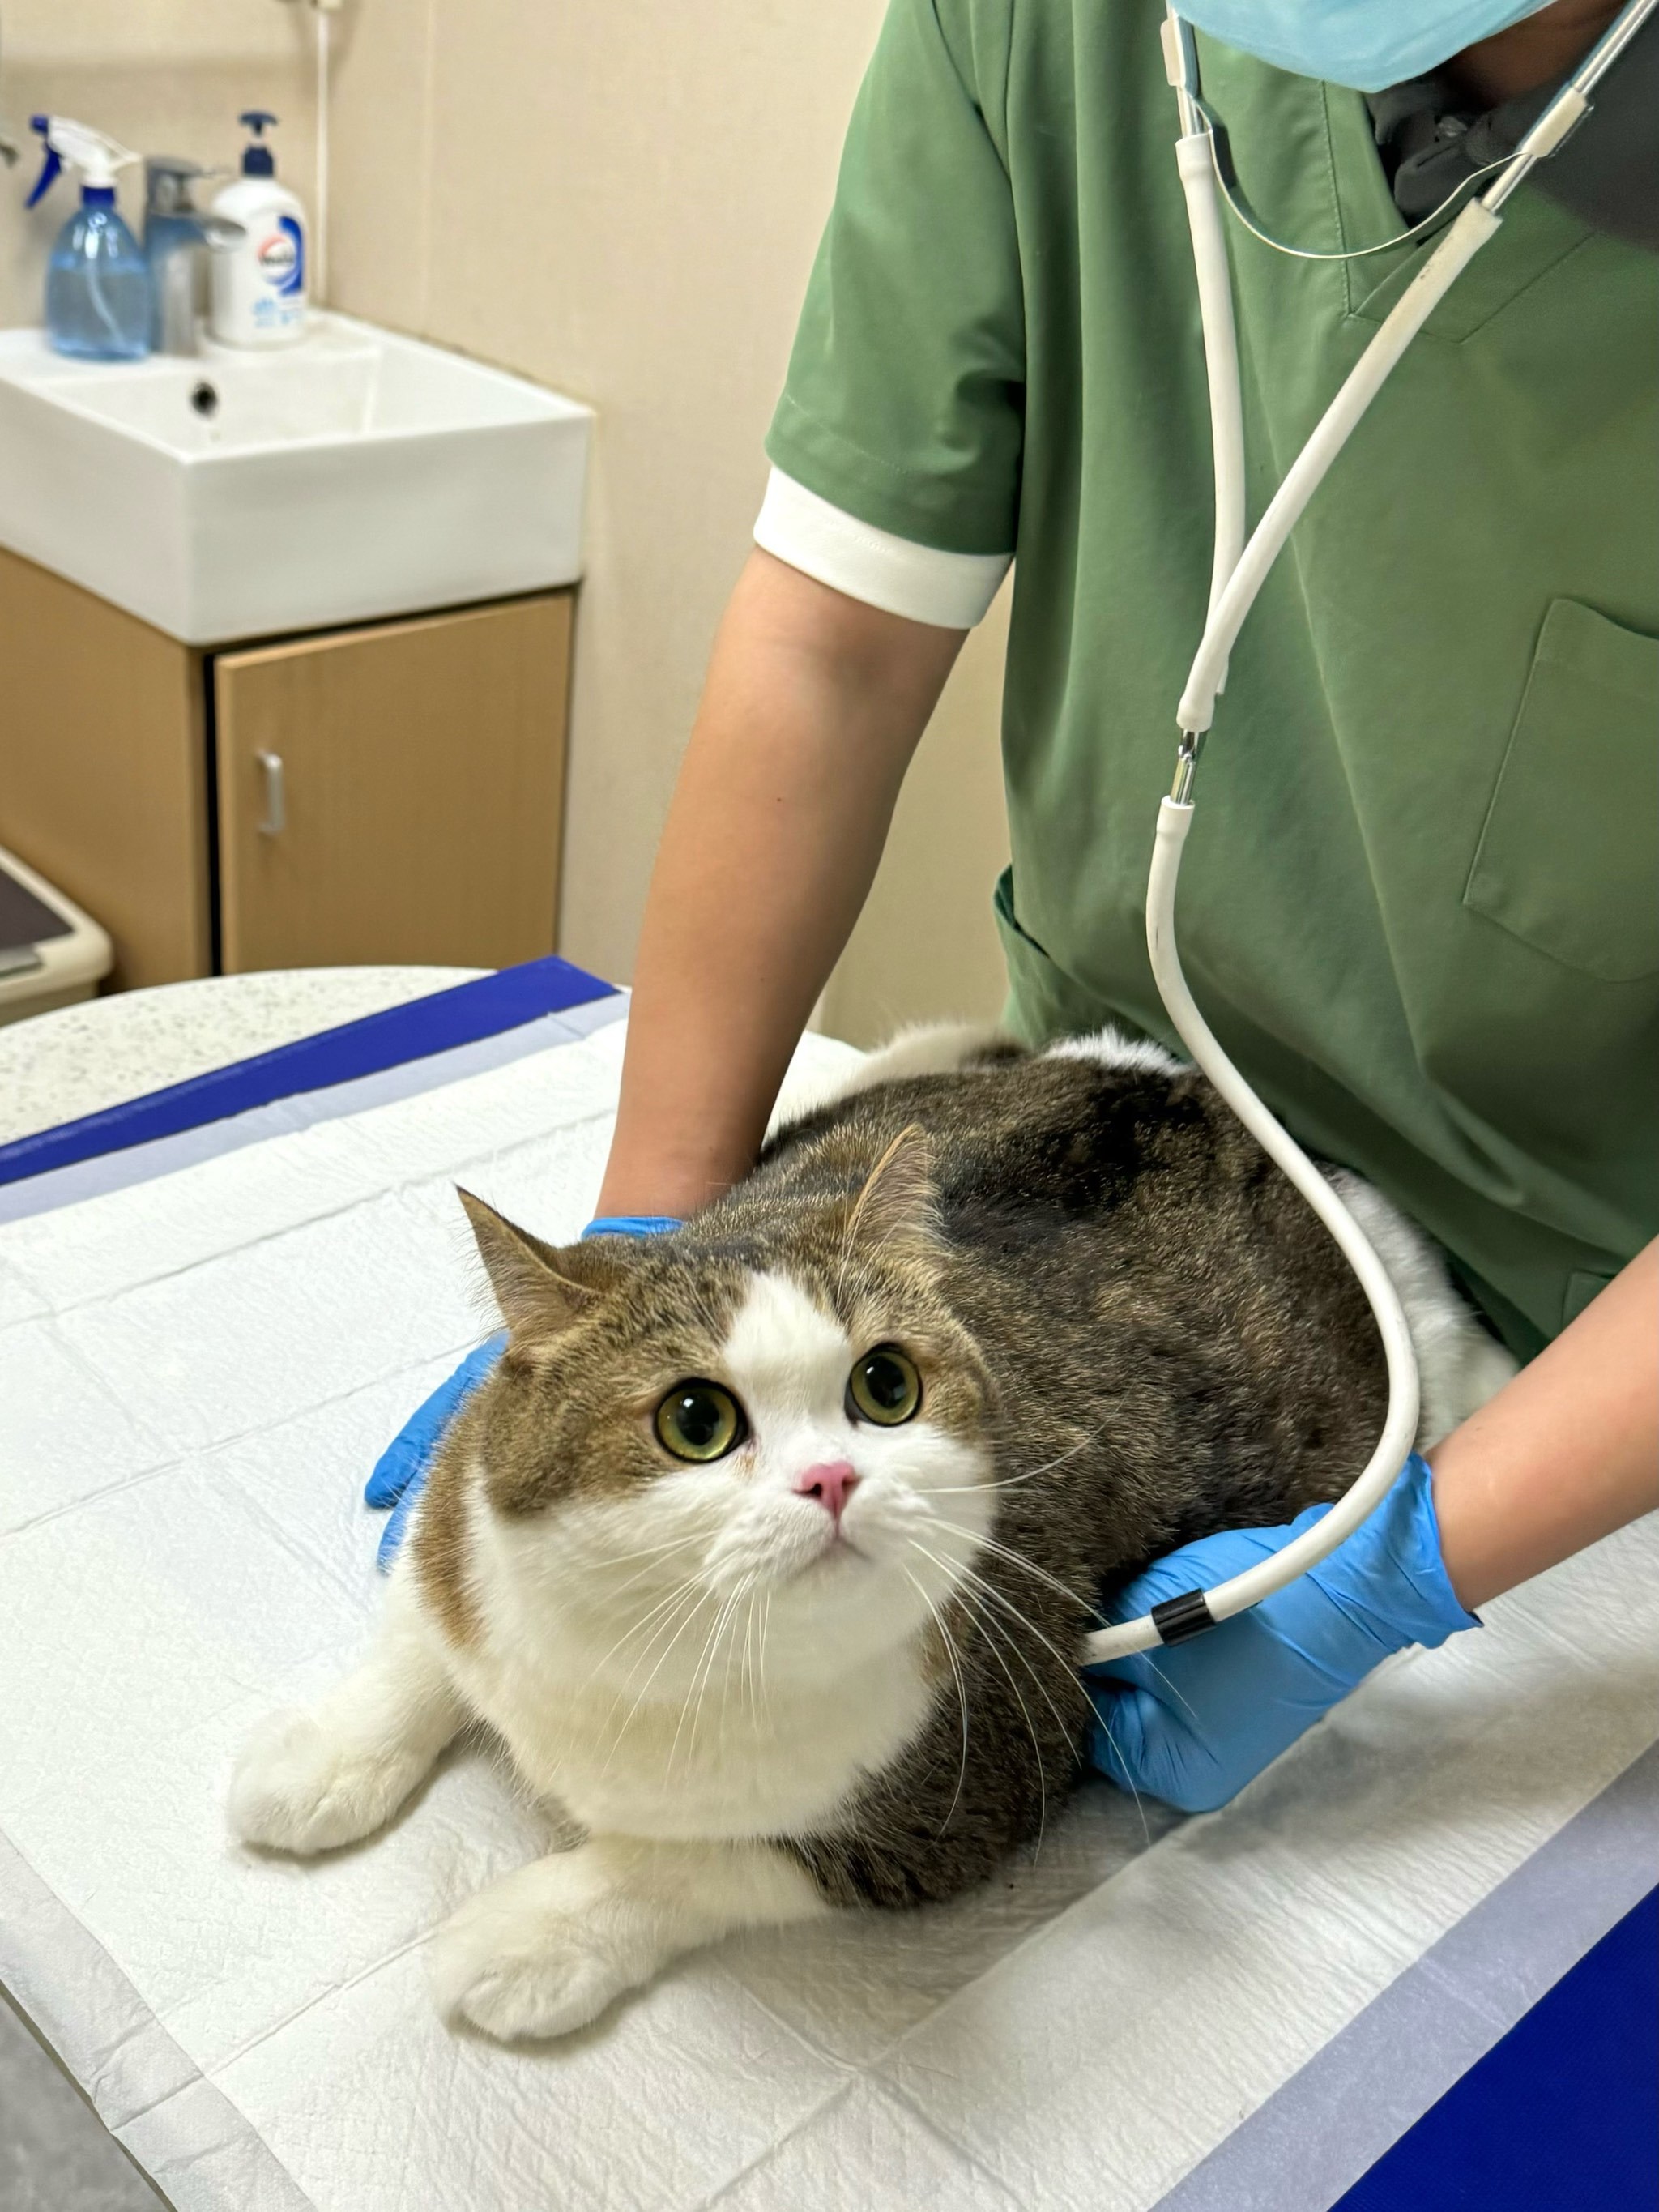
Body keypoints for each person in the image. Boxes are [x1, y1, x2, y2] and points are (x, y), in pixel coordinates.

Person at [371, 0, 1658, 1813]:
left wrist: (1413, 1571)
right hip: (1097, 1119)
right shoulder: (1042, 30)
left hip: (1572, 1336)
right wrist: (648, 1242)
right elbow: (830, 645)